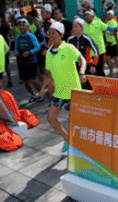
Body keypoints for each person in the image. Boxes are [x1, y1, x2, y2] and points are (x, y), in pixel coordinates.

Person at [39, 22, 87, 153]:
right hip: (59, 92)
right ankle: (66, 138)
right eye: (49, 33)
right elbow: (48, 74)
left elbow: (82, 60)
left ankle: (80, 146)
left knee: (75, 122)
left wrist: (82, 72)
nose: (51, 35)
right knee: (50, 118)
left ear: (61, 34)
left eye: (53, 33)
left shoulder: (69, 48)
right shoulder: (49, 53)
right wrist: (42, 88)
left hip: (73, 92)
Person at [13, 17, 42, 101]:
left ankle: (41, 94)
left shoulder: (31, 36)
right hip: (22, 62)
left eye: (23, 25)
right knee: (25, 81)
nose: (21, 27)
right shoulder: (17, 37)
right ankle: (33, 95)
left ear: (27, 26)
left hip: (31, 61)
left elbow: (38, 47)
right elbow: (15, 48)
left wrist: (29, 52)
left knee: (32, 79)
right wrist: (16, 52)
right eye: (20, 25)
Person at [82, 10, 111, 77]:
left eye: (87, 15)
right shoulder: (83, 26)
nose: (86, 17)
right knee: (91, 71)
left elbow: (108, 28)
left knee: (99, 70)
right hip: (89, 53)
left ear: (93, 16)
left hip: (99, 51)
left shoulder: (98, 23)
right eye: (85, 15)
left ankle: (104, 82)